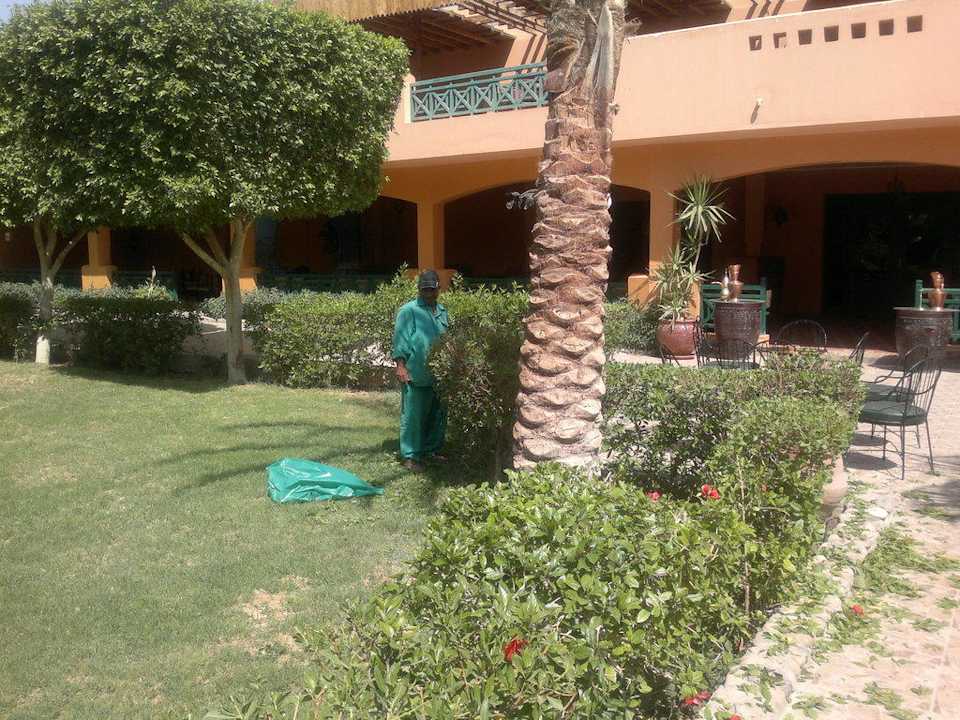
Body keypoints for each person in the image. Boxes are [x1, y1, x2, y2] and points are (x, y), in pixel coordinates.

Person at [392, 270, 449, 472]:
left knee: (437, 414)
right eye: (425, 290)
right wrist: (400, 366)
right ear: (419, 289)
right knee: (413, 417)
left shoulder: (442, 311)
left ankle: (431, 451)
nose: (429, 293)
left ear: (438, 289)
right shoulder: (408, 311)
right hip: (415, 373)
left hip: (439, 375)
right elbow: (400, 340)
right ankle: (410, 457)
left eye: (432, 289)